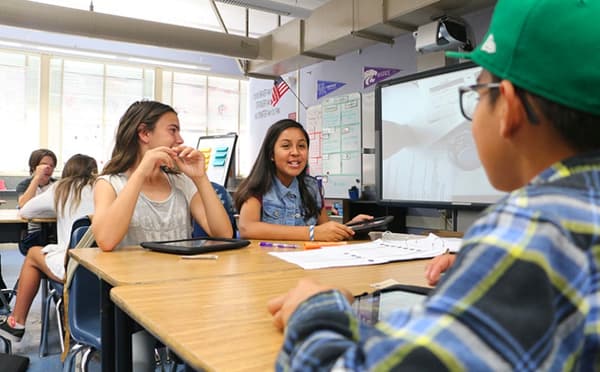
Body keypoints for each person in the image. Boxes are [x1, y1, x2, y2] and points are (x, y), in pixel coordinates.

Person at [267, 0, 600, 370]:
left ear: (508, 109)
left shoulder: (534, 229)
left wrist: (315, 310)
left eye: (474, 97)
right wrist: (491, 265)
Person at [92, 100, 233, 371]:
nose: (180, 139)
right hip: (134, 303)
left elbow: (223, 232)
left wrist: (200, 178)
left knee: (219, 349)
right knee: (138, 363)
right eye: (173, 130)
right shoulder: (109, 183)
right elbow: (106, 240)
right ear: (144, 134)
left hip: (183, 296)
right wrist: (142, 170)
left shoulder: (180, 182)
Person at [0, 154, 97, 342]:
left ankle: (17, 322)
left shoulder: (61, 188)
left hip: (74, 266)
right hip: (104, 267)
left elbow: (25, 210)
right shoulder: (105, 189)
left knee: (33, 254)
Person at [235, 119, 371, 241]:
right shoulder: (258, 186)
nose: (295, 152)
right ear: (271, 154)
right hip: (266, 264)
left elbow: (324, 230)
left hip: (305, 262)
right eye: (286, 146)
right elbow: (247, 228)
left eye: (301, 146)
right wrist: (311, 233)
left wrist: (349, 228)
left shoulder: (311, 187)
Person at [16, 148, 58, 255]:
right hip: (33, 233)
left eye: (52, 165)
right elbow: (23, 205)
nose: (48, 167)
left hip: (54, 232)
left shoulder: (58, 185)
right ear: (34, 166)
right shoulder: (24, 184)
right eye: (44, 164)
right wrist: (36, 178)